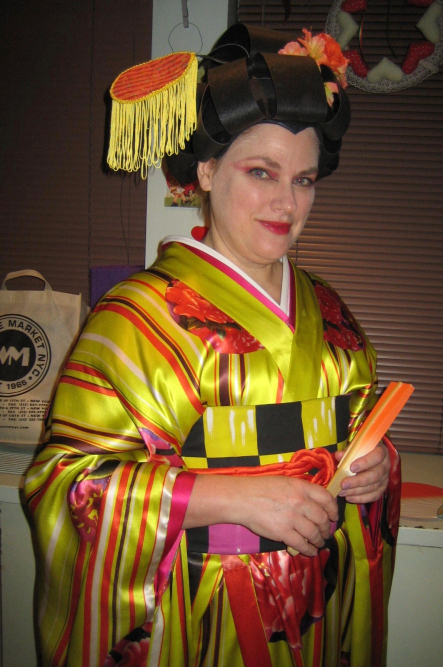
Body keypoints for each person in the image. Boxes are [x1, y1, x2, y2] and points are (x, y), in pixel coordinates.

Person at [25, 24, 400, 667]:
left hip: (316, 603)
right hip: (198, 614)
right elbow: (71, 483)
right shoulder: (137, 317)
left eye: (304, 180)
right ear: (205, 170)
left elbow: (361, 425)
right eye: (261, 172)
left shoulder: (330, 310)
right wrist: (231, 498)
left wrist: (377, 467)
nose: (286, 202)